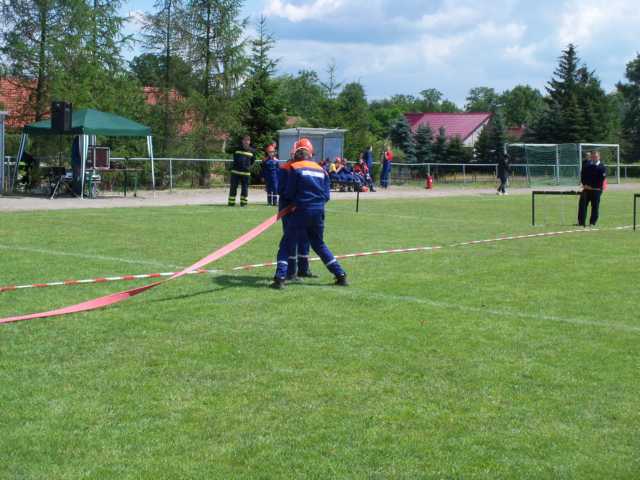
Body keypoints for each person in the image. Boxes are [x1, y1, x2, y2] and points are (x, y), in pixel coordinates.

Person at [271, 138, 347, 289]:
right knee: (319, 244)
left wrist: (296, 202)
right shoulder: (321, 169)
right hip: (318, 211)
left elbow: (289, 192)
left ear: (296, 154)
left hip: (300, 211)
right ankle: (340, 274)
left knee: (286, 244)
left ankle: (280, 278)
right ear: (310, 154)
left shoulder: (295, 167)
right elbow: (326, 195)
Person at [578, 150, 606, 227]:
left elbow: (601, 179)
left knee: (595, 206)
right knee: (582, 205)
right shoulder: (587, 165)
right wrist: (585, 185)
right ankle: (581, 222)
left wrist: (592, 186)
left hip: (596, 190)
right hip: (586, 189)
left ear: (599, 157)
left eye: (595, 156)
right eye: (592, 156)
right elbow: (582, 175)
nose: (594, 158)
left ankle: (592, 222)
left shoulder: (602, 167)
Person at [228, 135, 255, 207]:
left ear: (249, 142)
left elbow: (253, 161)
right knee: (233, 188)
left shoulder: (252, 151)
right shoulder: (236, 149)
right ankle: (231, 203)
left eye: (248, 140)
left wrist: (248, 168)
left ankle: (243, 204)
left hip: (246, 173)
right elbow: (227, 150)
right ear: (242, 141)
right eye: (245, 140)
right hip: (235, 172)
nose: (246, 142)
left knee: (245, 189)